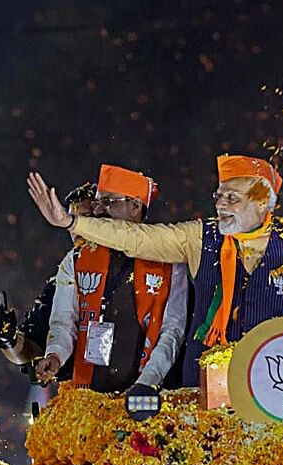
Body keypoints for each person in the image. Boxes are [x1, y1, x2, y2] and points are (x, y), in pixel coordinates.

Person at [27, 155, 283, 386]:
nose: (220, 205)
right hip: (204, 382)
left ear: (262, 204)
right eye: (219, 196)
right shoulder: (199, 237)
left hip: (275, 380)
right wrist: (72, 221)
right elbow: (137, 238)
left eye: (232, 199)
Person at [35, 164, 189, 393]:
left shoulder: (169, 262)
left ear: (135, 206)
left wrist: (146, 384)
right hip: (86, 397)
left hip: (143, 396)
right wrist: (55, 355)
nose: (98, 211)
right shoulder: (76, 258)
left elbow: (172, 331)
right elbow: (64, 321)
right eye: (97, 203)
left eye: (108, 202)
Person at [0, 182, 96, 378]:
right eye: (71, 221)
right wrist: (8, 339)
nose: (77, 229)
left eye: (87, 220)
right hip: (80, 397)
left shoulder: (142, 269)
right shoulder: (62, 281)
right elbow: (31, 350)